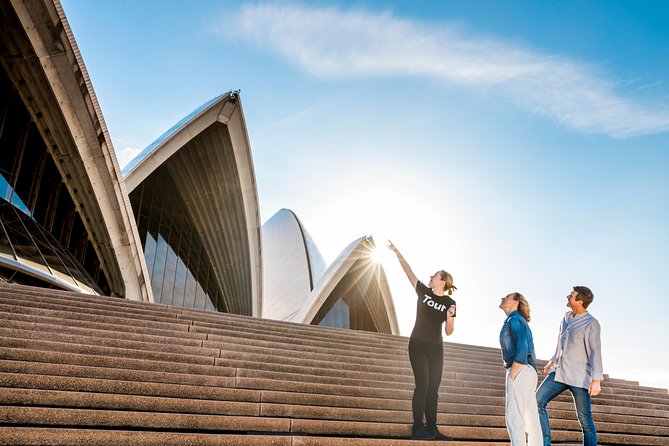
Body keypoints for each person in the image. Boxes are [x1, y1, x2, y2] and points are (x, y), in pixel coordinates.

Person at [388, 240, 456, 441]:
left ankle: (432, 429)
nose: (431, 277)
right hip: (417, 343)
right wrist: (397, 252)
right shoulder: (423, 292)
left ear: (442, 281)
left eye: (435, 275)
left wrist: (450, 316)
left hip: (436, 348)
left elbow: (450, 331)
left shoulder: (450, 303)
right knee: (423, 384)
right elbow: (409, 272)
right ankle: (418, 428)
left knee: (433, 389)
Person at [536, 286, 603, 446]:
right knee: (537, 401)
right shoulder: (566, 318)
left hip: (579, 377)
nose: (567, 296)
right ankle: (545, 443)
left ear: (580, 301)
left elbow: (595, 352)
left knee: (585, 421)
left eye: (571, 296)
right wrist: (553, 360)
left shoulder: (591, 323)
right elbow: (561, 344)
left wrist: (597, 380)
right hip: (559, 373)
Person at [499, 292, 542, 446]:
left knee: (515, 417)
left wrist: (513, 372)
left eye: (507, 296)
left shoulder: (514, 319)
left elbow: (522, 346)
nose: (502, 298)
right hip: (529, 372)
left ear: (515, 302)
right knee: (531, 419)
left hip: (520, 369)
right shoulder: (518, 320)